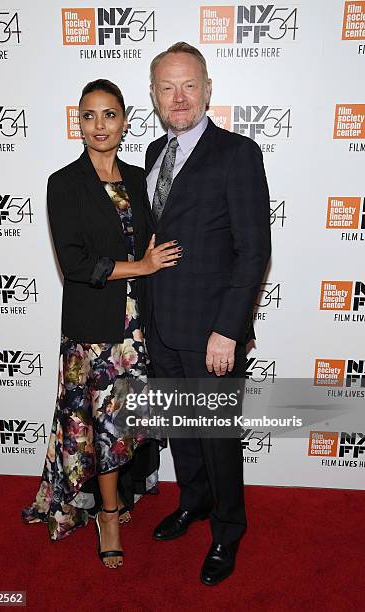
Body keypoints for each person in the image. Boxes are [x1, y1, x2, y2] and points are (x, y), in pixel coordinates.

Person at [22, 79, 181, 569]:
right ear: (79, 123)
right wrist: (141, 268)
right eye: (88, 116)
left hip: (139, 326)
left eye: (109, 115)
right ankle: (107, 515)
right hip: (94, 333)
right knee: (102, 428)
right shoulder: (63, 183)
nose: (99, 125)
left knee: (126, 425)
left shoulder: (140, 178)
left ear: (125, 121)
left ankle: (120, 495)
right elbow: (76, 264)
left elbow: (160, 246)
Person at [145, 43, 271, 585]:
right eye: (167, 87)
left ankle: (227, 530)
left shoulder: (237, 153)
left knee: (218, 437)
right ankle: (192, 502)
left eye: (189, 85)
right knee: (182, 429)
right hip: (160, 324)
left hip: (212, 331)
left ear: (208, 89)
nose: (179, 97)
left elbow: (254, 251)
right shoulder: (153, 152)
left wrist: (229, 329)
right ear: (153, 95)